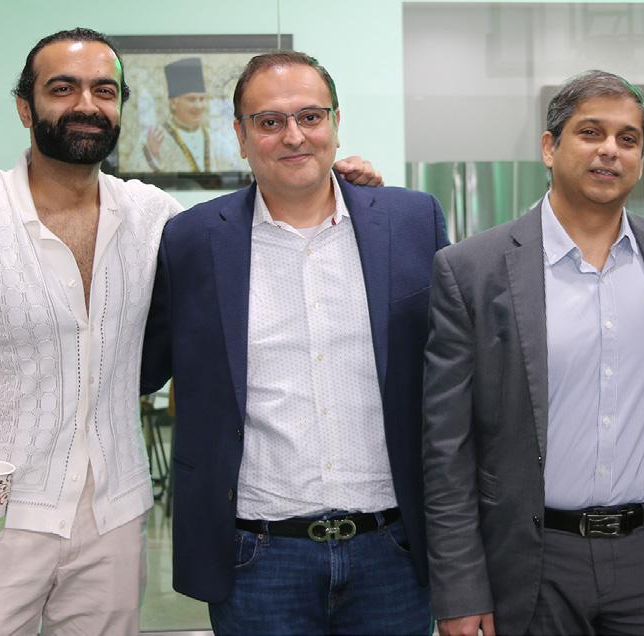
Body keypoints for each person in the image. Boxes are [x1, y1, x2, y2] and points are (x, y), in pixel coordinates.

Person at [0, 28, 381, 635]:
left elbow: (249, 224)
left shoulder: (153, 218)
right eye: (63, 89)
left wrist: (327, 177)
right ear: (26, 108)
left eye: (104, 91)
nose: (86, 104)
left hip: (114, 518)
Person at [140, 51, 447, 635]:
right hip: (259, 559)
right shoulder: (192, 240)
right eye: (270, 121)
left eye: (310, 116)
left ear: (336, 123)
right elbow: (141, 366)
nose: (294, 136)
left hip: (393, 551)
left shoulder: (411, 222)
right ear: (241, 135)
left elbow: (454, 373)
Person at [422, 69, 644, 636]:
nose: (610, 150)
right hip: (534, 560)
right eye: (590, 132)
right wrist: (459, 591)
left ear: (641, 158)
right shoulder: (472, 271)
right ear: (550, 148)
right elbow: (445, 449)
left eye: (628, 139)